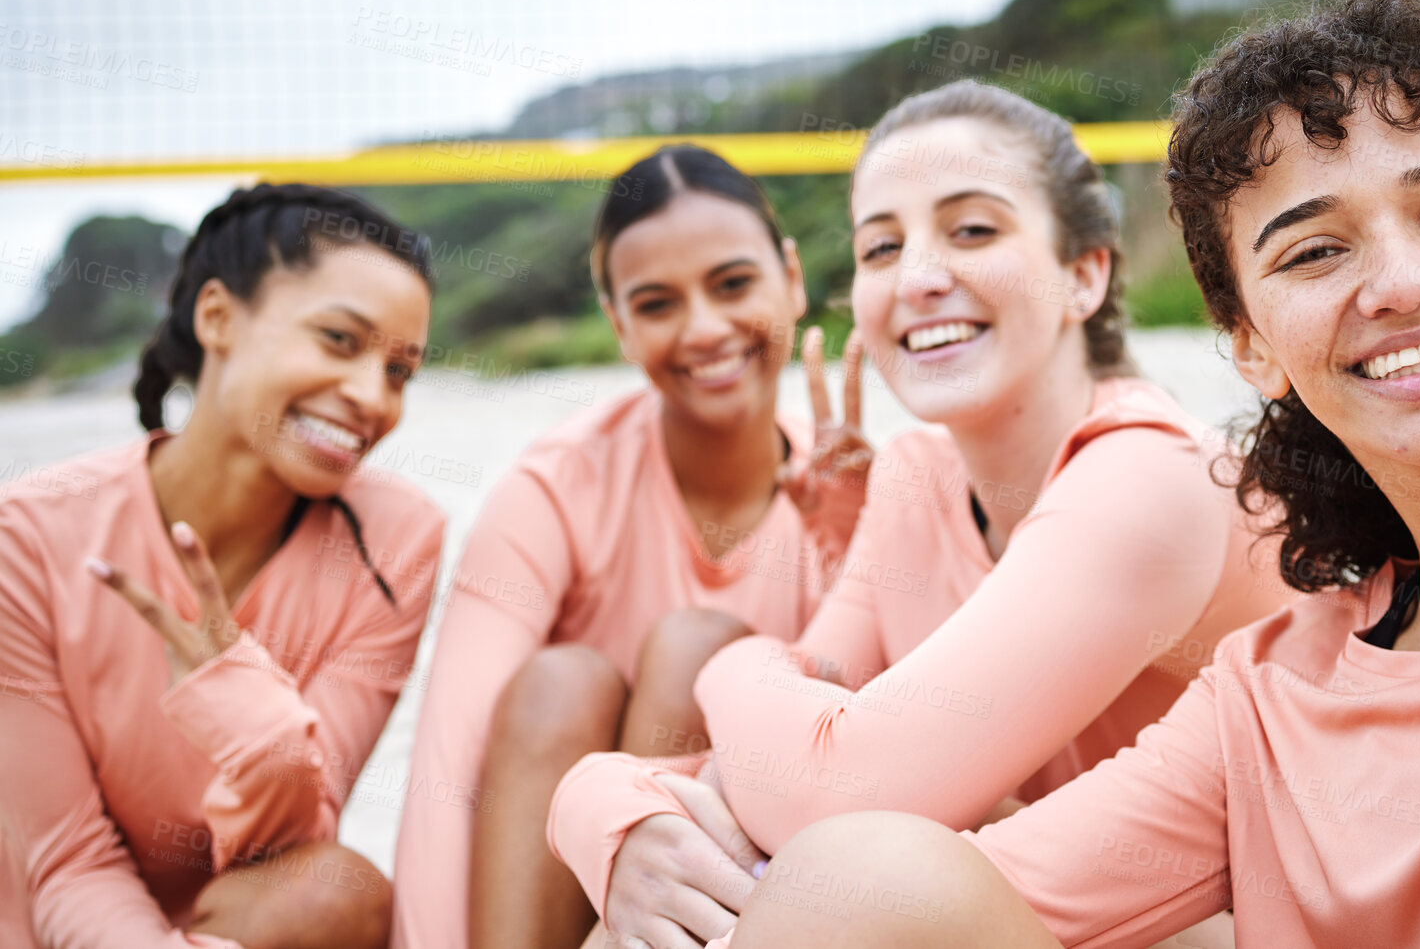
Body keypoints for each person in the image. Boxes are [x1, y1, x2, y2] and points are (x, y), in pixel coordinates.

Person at [723, 0, 1420, 949]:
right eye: (1315, 253)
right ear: (1250, 344)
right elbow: (874, 900)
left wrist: (729, 670)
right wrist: (602, 809)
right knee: (845, 882)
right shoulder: (1269, 694)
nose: (1403, 281)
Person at [548, 80, 1292, 949]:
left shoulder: (1150, 474)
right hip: (1000, 901)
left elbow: (834, 786)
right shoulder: (913, 475)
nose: (920, 277)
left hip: (1206, 929)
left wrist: (730, 667)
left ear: (1082, 273)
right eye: (880, 247)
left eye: (972, 229)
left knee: (833, 872)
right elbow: (761, 768)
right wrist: (603, 804)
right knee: (675, 885)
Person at [392, 146, 870, 949]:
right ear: (617, 324)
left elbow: (913, 752)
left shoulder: (847, 490)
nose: (705, 328)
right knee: (559, 679)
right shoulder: (556, 486)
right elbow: (448, 766)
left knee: (703, 651)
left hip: (748, 898)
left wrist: (860, 545)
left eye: (732, 284)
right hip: (554, 896)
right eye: (656, 303)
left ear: (790, 276)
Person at [0, 183, 445, 949]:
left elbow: (298, 840)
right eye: (340, 339)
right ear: (217, 317)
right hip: (57, 925)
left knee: (333, 889)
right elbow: (65, 861)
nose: (373, 396)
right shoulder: (28, 535)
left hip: (241, 925)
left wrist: (240, 699)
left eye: (401, 369)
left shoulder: (397, 537)